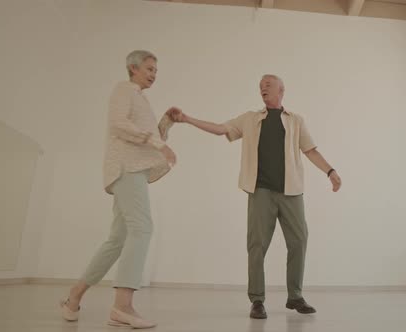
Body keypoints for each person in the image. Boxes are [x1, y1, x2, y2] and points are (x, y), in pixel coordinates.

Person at [167, 74, 341, 319]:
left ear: (281, 90)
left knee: (299, 241)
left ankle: (295, 296)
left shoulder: (296, 121)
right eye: (260, 87)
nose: (263, 89)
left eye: (268, 85)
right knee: (257, 245)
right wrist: (186, 119)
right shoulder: (249, 119)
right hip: (261, 191)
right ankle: (257, 300)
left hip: (291, 191)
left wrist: (330, 171)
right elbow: (220, 129)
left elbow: (310, 150)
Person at [59, 50, 177, 329]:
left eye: (156, 70)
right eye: (149, 68)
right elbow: (118, 125)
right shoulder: (124, 89)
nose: (153, 74)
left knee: (117, 240)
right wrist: (160, 144)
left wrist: (166, 123)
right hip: (126, 169)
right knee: (143, 229)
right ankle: (122, 307)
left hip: (132, 169)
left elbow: (146, 137)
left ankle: (73, 298)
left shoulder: (140, 98)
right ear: (133, 67)